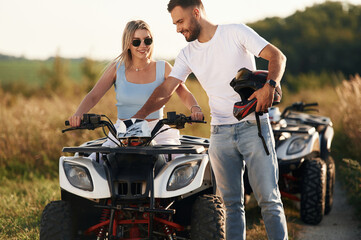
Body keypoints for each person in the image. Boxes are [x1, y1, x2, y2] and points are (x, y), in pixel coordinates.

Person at [132, 1, 288, 239]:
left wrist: (270, 85)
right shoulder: (187, 53)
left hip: (252, 127)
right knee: (231, 205)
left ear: (196, 12)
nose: (177, 29)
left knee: (269, 199)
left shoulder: (235, 32)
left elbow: (277, 56)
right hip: (220, 134)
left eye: (180, 22)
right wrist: (137, 119)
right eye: (175, 24)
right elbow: (167, 89)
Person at [68, 20, 204, 148]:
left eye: (147, 40)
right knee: (96, 163)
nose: (143, 45)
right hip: (122, 131)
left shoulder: (164, 68)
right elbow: (94, 95)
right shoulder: (116, 68)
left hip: (157, 130)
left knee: (176, 164)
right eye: (136, 42)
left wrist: (195, 108)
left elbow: (184, 93)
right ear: (128, 43)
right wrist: (78, 114)